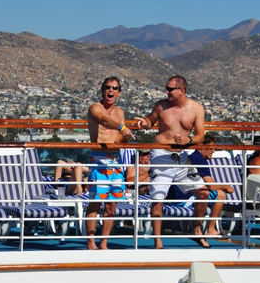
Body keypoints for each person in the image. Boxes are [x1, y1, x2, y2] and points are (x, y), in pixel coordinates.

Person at [135, 76, 209, 249]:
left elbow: (200, 136)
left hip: (181, 158)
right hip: (160, 156)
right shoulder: (161, 106)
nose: (166, 91)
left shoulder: (196, 108)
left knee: (203, 193)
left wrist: (187, 140)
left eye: (170, 89)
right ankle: (158, 241)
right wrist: (144, 123)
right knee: (158, 199)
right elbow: (150, 120)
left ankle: (196, 230)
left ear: (181, 90)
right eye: (166, 88)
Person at [86, 77, 136, 250]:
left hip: (116, 161)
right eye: (107, 87)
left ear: (118, 92)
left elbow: (121, 137)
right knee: (95, 202)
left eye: (114, 88)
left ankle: (104, 243)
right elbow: (104, 121)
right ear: (102, 90)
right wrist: (122, 128)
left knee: (112, 204)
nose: (111, 90)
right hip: (99, 160)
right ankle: (91, 242)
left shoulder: (120, 112)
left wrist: (126, 136)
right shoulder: (95, 108)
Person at [187, 136, 235, 237]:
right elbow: (211, 186)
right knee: (220, 195)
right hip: (187, 197)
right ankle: (210, 229)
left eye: (214, 148)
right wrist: (226, 187)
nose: (213, 150)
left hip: (180, 194)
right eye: (210, 148)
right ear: (201, 147)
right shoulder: (200, 160)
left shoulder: (192, 157)